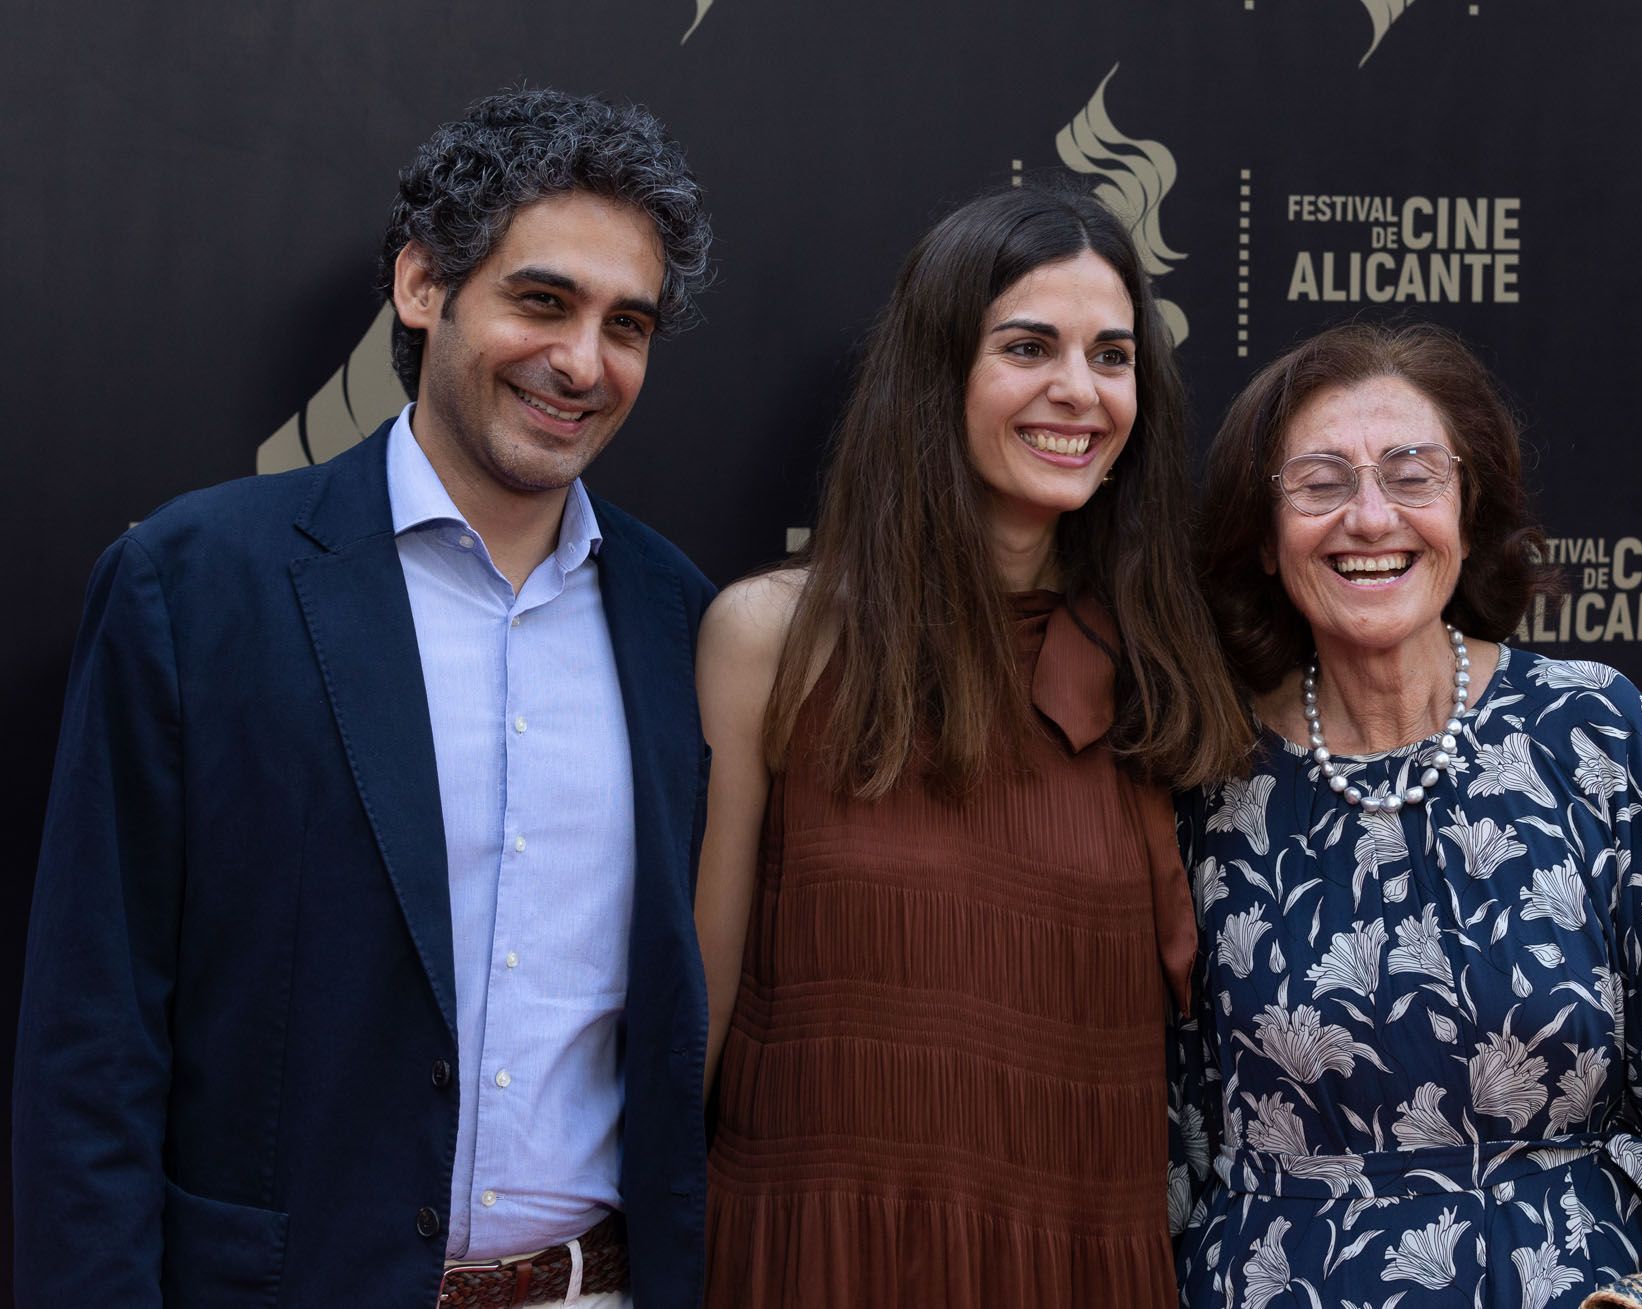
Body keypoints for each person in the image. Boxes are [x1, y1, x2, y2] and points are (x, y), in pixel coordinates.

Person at [13, 88, 715, 1308]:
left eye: (629, 324)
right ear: (421, 286)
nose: (583, 362)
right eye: (542, 300)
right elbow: (94, 1040)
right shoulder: (194, 585)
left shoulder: (680, 623)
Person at [1171, 322, 1642, 1308]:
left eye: (1412, 476)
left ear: (1469, 506)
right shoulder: (1204, 770)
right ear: (1267, 538)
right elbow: (1156, 1122)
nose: (1371, 517)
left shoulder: (1589, 729)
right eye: (1322, 483)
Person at [693, 185, 1252, 1307]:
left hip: (1082, 1254)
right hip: (816, 1257)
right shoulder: (772, 641)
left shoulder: (1164, 666)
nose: (1078, 391)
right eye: (1029, 346)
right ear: (936, 369)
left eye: (1112, 355)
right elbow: (693, 1017)